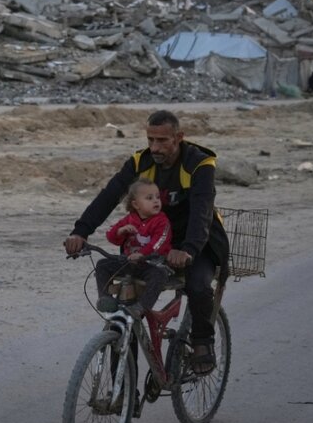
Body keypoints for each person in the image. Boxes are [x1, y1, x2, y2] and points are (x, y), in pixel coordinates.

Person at [65, 110, 230, 375]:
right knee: (124, 296)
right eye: (150, 139)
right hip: (149, 242)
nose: (155, 147)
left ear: (179, 138)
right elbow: (109, 195)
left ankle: (202, 343)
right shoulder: (140, 162)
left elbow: (202, 212)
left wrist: (187, 249)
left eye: (162, 141)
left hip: (197, 241)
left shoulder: (198, 164)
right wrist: (81, 232)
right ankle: (122, 373)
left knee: (198, 285)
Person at [93, 179, 172, 317]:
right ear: (136, 204)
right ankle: (105, 298)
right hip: (129, 262)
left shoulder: (162, 220)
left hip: (151, 264)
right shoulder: (130, 219)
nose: (156, 201)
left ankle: (141, 307)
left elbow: (160, 242)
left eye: (157, 197)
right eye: (149, 198)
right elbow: (112, 237)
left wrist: (142, 254)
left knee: (160, 275)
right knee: (102, 265)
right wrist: (120, 231)